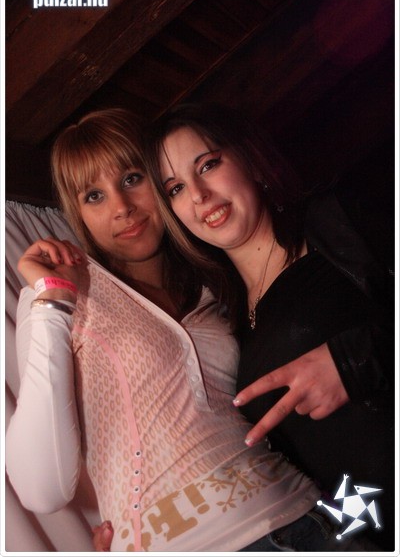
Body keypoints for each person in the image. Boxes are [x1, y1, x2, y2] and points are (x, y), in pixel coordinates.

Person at [7, 107, 372, 553]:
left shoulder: (218, 287)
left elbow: (305, 431)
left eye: (132, 178)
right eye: (94, 196)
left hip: (310, 519)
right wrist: (52, 299)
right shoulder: (60, 297)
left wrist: (358, 519)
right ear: (77, 214)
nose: (122, 208)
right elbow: (41, 490)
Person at [144, 102, 395, 550]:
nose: (198, 194)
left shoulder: (338, 219)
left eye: (208, 165)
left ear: (250, 160)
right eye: (176, 188)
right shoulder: (230, 324)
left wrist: (354, 360)